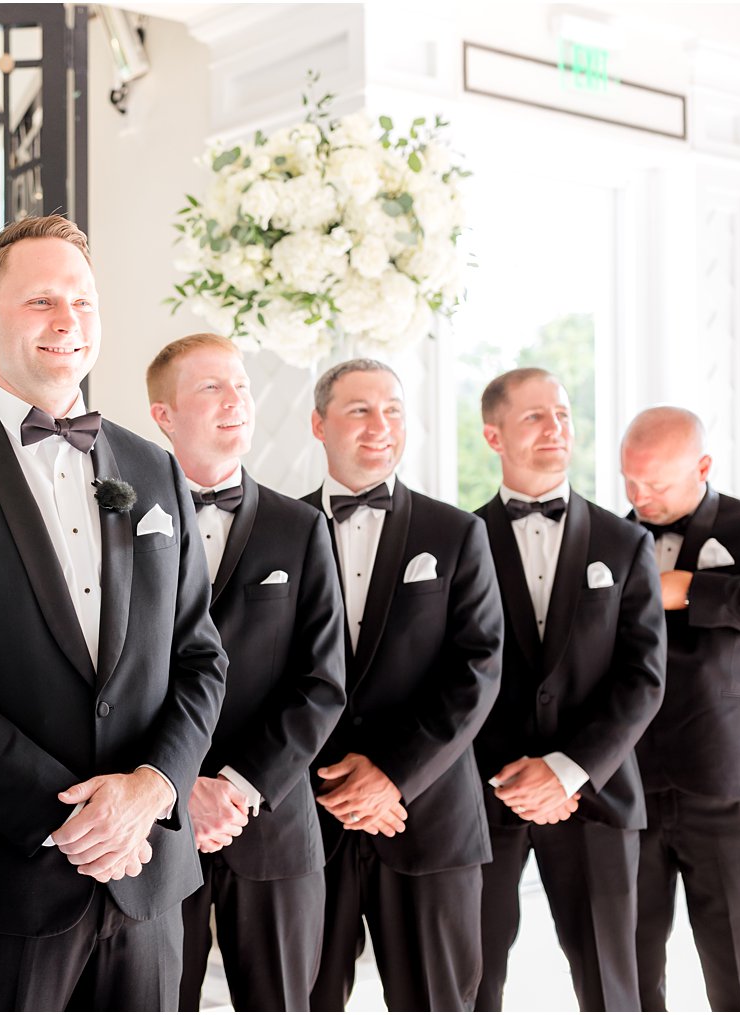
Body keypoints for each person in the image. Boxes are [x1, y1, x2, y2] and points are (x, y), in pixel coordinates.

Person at [0, 215, 227, 1011]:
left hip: (148, 880)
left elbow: (201, 656)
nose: (68, 320)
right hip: (7, 884)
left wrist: (151, 788)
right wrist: (72, 819)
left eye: (83, 301)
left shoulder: (154, 469)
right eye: (40, 302)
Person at [145, 334, 345, 1012]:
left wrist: (235, 786)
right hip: (155, 822)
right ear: (163, 413)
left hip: (272, 820)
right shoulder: (119, 522)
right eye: (211, 387)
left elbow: (321, 683)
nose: (235, 400)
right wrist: (180, 786)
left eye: (241, 386)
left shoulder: (301, 527)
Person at [302, 358, 504, 1012]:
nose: (379, 425)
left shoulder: (457, 532)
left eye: (392, 409)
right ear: (319, 423)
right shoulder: (279, 528)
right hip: (310, 822)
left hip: (430, 817)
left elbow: (476, 668)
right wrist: (325, 780)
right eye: (359, 409)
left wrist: (391, 773)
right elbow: (257, 672)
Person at [471, 367, 665, 1012]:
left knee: (613, 986)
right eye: (534, 417)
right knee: (471, 982)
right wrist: (503, 774)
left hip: (596, 794)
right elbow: (447, 674)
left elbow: (642, 677)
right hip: (480, 799)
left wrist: (567, 770)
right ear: (494, 436)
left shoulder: (626, 541)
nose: (555, 428)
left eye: (562, 413)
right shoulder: (458, 540)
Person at [621, 406, 740, 1012]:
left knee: (736, 968)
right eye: (630, 481)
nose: (639, 497)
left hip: (722, 782)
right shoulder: (612, 539)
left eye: (656, 484)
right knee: (628, 964)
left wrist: (693, 590)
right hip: (628, 787)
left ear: (702, 466)